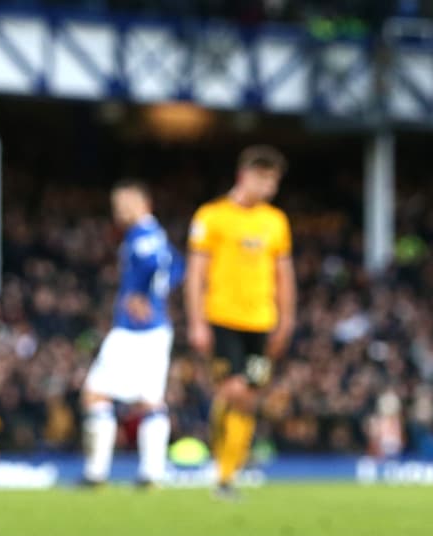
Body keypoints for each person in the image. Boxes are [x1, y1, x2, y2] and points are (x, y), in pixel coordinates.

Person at [185, 146, 296, 500]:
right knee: (232, 390)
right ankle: (222, 466)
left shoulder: (276, 221)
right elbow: (195, 272)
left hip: (261, 321)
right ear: (244, 176)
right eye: (264, 178)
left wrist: (287, 319)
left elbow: (284, 273)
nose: (270, 187)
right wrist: (196, 322)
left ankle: (228, 476)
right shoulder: (212, 216)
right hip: (222, 318)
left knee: (249, 397)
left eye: (274, 181)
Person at [81, 180, 182, 487]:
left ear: (144, 203)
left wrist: (142, 295)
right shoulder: (156, 234)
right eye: (116, 205)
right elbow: (177, 266)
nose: (120, 211)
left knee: (95, 392)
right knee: (150, 399)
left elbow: (156, 265)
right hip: (155, 328)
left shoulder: (142, 236)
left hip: (134, 329)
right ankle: (152, 473)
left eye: (125, 204)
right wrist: (159, 295)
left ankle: (96, 473)